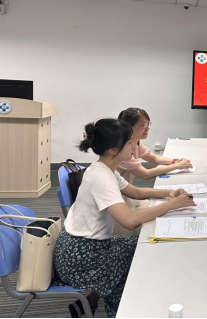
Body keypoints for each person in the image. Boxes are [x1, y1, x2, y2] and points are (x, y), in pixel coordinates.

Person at [54, 119, 196, 318]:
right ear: (113, 150)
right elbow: (129, 221)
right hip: (82, 258)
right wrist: (171, 205)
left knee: (139, 247)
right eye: (130, 142)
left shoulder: (104, 168)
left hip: (82, 246)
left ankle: (93, 303)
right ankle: (121, 310)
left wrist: (169, 193)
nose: (134, 146)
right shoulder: (102, 177)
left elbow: (136, 192)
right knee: (141, 253)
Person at [115, 108, 193, 237]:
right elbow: (145, 175)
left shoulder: (134, 144)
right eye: (143, 125)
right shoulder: (122, 152)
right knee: (145, 231)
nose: (148, 128)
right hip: (120, 203)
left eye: (148, 124)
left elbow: (136, 191)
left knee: (165, 215)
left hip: (128, 194)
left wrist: (174, 162)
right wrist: (177, 166)